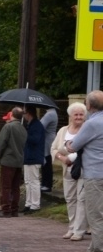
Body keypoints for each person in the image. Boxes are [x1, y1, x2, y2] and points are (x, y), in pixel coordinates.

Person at [66, 90, 103, 252]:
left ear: (89, 106)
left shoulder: (92, 123)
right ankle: (92, 250)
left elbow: (73, 146)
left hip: (95, 173)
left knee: (95, 215)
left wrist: (68, 143)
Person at [51, 102, 88, 241]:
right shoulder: (63, 130)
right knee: (70, 199)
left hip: (84, 169)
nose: (78, 117)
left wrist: (72, 157)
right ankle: (71, 228)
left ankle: (79, 231)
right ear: (70, 116)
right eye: (76, 114)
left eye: (81, 114)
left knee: (82, 199)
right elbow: (53, 148)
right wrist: (62, 158)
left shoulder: (87, 129)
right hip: (67, 169)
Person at [0, 107, 27, 218]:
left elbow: (1, 143)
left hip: (8, 160)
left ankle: (5, 210)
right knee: (15, 187)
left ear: (12, 114)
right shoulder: (23, 128)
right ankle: (14, 209)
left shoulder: (8, 127)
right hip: (19, 160)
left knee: (5, 186)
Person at [22, 105, 46, 214]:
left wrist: (25, 134)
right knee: (28, 181)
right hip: (28, 156)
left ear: (29, 113)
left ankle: (35, 204)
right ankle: (28, 203)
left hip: (34, 157)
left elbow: (35, 139)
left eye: (24, 113)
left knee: (34, 181)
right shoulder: (30, 125)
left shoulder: (37, 125)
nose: (23, 115)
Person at [40, 107, 58, 193]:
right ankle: (45, 183)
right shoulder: (52, 113)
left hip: (47, 141)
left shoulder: (50, 114)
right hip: (49, 139)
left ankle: (47, 184)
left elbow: (41, 125)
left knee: (46, 162)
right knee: (46, 162)